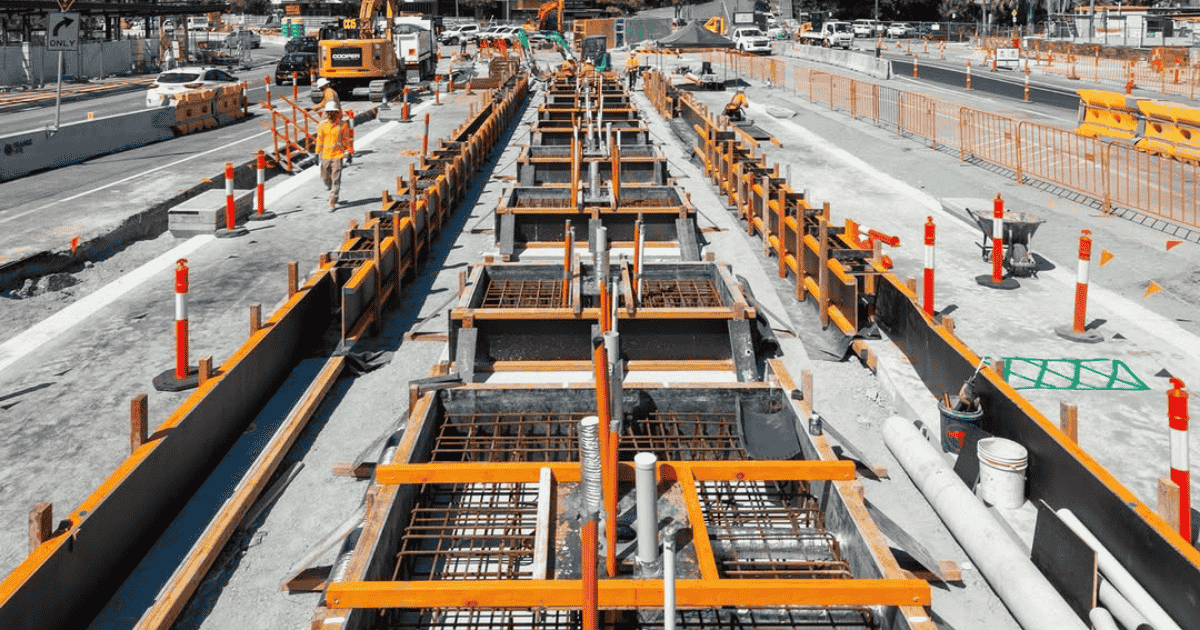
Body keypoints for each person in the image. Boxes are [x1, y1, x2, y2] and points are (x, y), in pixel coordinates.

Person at [315, 101, 353, 210]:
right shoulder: (322, 125)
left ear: (336, 113)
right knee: (325, 178)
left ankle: (332, 199)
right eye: (329, 112)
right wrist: (316, 153)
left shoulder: (342, 125)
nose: (331, 114)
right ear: (326, 113)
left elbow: (346, 140)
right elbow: (320, 140)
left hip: (337, 155)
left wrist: (348, 153)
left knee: (336, 179)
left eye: (333, 112)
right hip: (325, 156)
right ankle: (332, 190)